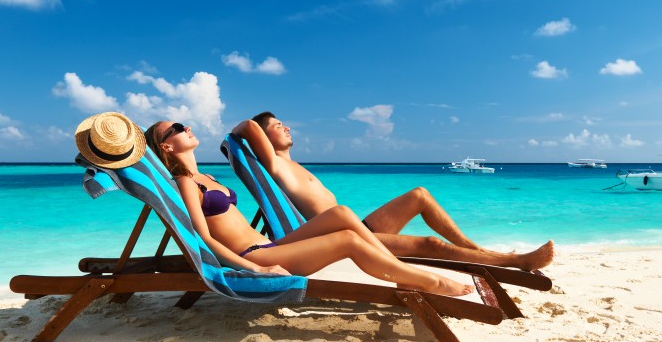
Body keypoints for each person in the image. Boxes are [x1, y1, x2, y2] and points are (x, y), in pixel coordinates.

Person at [142, 119, 473, 297]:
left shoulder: (207, 176)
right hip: (255, 255)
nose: (186, 127)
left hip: (270, 245)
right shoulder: (187, 182)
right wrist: (255, 270)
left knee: (342, 214)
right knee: (348, 240)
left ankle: (402, 274)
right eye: (175, 129)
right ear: (167, 146)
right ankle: (426, 280)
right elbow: (203, 238)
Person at [232, 113, 555, 271]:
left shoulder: (295, 163)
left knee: (420, 194)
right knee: (428, 244)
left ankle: (476, 249)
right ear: (263, 137)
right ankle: (514, 262)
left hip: (359, 226)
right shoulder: (275, 164)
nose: (287, 127)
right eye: (277, 125)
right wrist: (247, 133)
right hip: (343, 234)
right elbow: (246, 125)